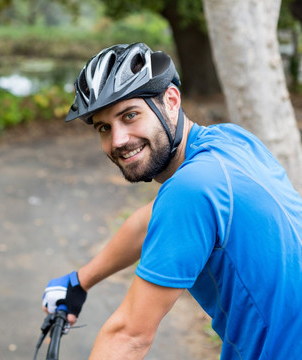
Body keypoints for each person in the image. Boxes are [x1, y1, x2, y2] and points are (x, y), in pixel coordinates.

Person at [42, 43, 302, 359]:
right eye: (104, 127)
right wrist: (80, 281)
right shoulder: (232, 141)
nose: (118, 140)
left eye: (130, 115)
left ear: (171, 100)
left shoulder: (190, 189)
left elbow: (129, 336)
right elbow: (151, 219)